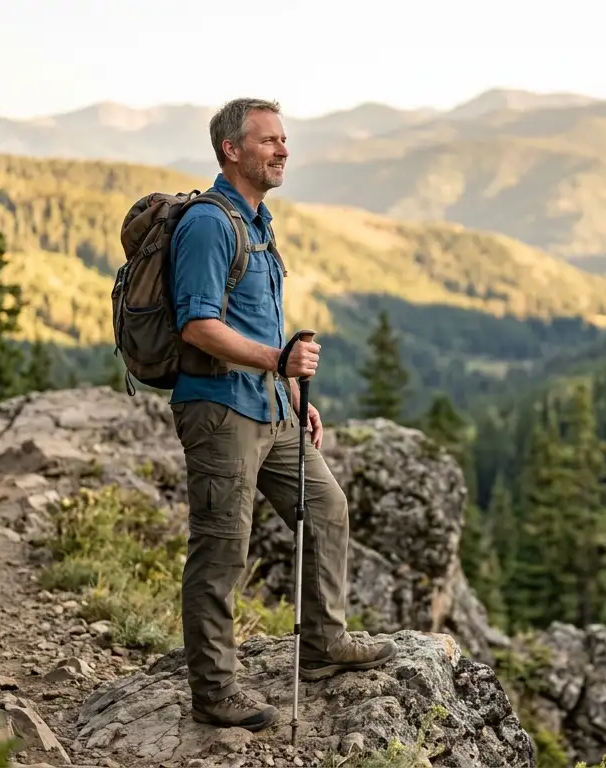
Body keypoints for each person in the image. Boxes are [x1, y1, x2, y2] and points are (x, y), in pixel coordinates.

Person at [167, 97, 397, 732]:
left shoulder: (258, 222)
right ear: (231, 151)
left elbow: (260, 328)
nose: (283, 149)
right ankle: (214, 691)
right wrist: (278, 359)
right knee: (222, 549)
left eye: (284, 139)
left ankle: (325, 643)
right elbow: (197, 324)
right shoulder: (212, 224)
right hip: (219, 410)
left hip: (270, 408)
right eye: (267, 140)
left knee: (327, 507)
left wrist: (296, 394)